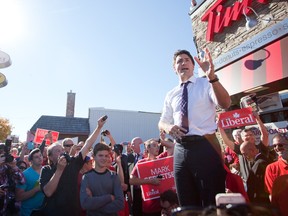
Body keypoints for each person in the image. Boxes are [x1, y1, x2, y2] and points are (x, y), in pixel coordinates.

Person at [158, 49, 231, 207]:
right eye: (179, 61)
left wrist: (212, 77)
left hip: (205, 146)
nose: (183, 63)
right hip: (180, 150)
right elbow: (162, 121)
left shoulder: (206, 84)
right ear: (174, 68)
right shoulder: (171, 94)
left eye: (186, 60)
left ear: (192, 65)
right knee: (186, 202)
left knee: (211, 201)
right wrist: (169, 127)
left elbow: (225, 103)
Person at [39, 115, 107, 216]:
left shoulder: (73, 164)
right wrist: (59, 170)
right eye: (57, 151)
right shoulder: (46, 169)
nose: (61, 152)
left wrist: (98, 127)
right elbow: (48, 192)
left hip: (73, 211)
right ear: (50, 157)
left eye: (62, 150)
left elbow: (87, 145)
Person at [219, 113, 269, 189]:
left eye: (251, 134)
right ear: (242, 138)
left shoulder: (261, 147)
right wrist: (220, 127)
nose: (249, 137)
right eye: (246, 136)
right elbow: (226, 141)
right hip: (249, 185)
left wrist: (258, 120)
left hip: (264, 183)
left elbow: (265, 134)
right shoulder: (240, 149)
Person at [80, 143, 124, 215]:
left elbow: (120, 203)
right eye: (100, 155)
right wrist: (109, 197)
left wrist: (95, 207)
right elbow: (85, 203)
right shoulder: (87, 177)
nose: (104, 158)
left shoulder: (113, 176)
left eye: (106, 156)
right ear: (94, 156)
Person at [130, 138, 163, 216]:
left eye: (158, 146)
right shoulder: (141, 163)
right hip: (149, 206)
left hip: (163, 206)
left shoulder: (161, 160)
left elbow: (172, 147)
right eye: (154, 145)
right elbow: (131, 180)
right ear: (147, 148)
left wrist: (161, 140)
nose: (157, 148)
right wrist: (150, 181)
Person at [16, 148, 45, 216]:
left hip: (43, 211)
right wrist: (36, 189)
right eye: (36, 157)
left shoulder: (47, 170)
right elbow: (18, 197)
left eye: (40, 155)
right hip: (28, 212)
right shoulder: (25, 174)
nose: (40, 158)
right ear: (31, 160)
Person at [0, 142, 25, 216]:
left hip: (7, 208)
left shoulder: (8, 167)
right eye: (1, 155)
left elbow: (22, 181)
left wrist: (14, 166)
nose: (4, 157)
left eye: (5, 155)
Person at [264, 133, 288, 199]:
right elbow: (272, 195)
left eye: (280, 145)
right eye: (274, 146)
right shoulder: (271, 168)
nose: (277, 148)